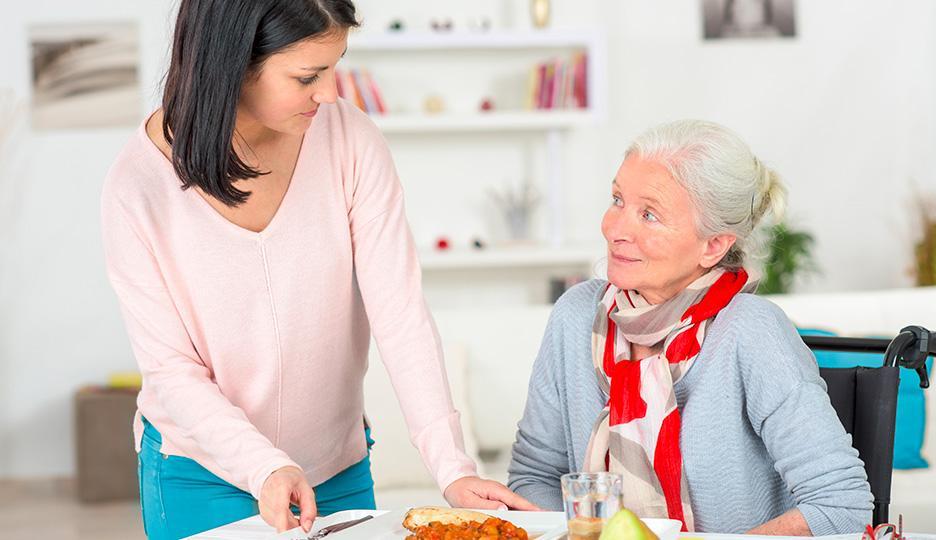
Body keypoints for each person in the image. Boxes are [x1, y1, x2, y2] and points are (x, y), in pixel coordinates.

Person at [100, 1, 534, 538]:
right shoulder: (138, 186)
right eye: (308, 75)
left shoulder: (350, 140)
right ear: (232, 63)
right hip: (201, 473)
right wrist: (266, 467)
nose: (329, 93)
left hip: (336, 470)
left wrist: (453, 467)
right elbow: (171, 371)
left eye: (336, 66)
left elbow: (400, 314)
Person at [507, 120, 873, 535]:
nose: (615, 229)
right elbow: (533, 478)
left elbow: (842, 504)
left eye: (649, 214)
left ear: (713, 245)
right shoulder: (575, 316)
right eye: (617, 199)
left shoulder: (751, 332)